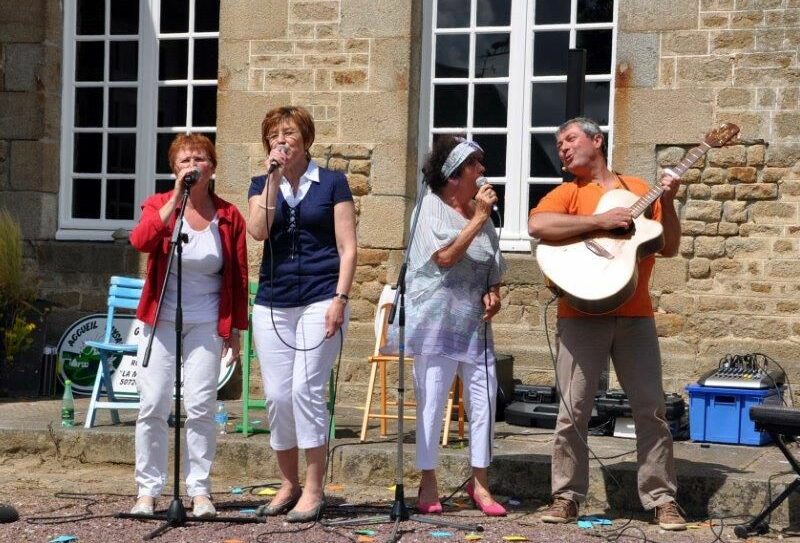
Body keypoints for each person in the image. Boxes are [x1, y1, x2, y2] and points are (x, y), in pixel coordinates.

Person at [528, 117, 686, 530]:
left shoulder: (639, 189)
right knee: (572, 411)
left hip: (636, 316)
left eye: (570, 139)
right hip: (579, 315)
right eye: (558, 142)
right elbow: (538, 226)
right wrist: (600, 222)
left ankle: (662, 500)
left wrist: (667, 201)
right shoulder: (566, 193)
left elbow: (668, 247)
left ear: (597, 141)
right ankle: (566, 497)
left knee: (651, 410)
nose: (562, 147)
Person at [128, 133, 249, 518]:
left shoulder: (229, 216)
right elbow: (141, 240)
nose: (192, 165)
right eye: (184, 161)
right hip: (160, 320)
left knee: (200, 406)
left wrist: (235, 331)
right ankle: (147, 492)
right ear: (174, 169)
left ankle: (199, 491)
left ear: (212, 169)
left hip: (206, 322)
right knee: (153, 404)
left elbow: (239, 277)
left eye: (199, 159)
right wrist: (175, 201)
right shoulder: (159, 205)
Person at [247, 106, 357, 523]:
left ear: (306, 139)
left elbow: (348, 246)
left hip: (319, 296)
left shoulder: (332, 182)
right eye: (274, 134)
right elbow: (257, 231)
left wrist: (340, 299)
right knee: (277, 396)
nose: (282, 140)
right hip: (273, 301)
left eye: (289, 133)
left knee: (305, 391)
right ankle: (288, 483)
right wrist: (273, 179)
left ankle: (313, 489)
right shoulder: (262, 183)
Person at [396, 135, 507, 517]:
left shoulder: (484, 216)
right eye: (476, 164)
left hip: (474, 326)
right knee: (432, 404)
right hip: (435, 323)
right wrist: (477, 217)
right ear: (455, 174)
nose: (482, 171)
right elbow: (444, 257)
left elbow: (493, 262)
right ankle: (428, 483)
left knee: (485, 399)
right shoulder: (429, 208)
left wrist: (493, 290)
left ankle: (481, 485)